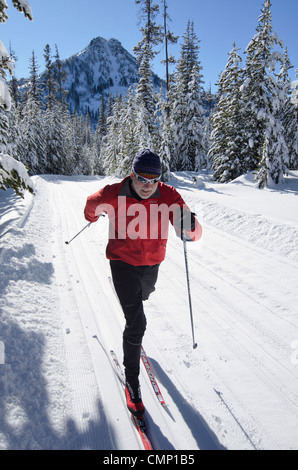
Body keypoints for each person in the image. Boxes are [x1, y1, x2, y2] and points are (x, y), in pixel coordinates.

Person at [84, 149, 202, 420]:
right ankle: (132, 382)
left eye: (153, 179)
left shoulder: (169, 195)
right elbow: (91, 205)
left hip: (152, 264)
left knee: (144, 296)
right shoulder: (113, 194)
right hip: (122, 263)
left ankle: (134, 328)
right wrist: (93, 216)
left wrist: (190, 229)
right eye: (141, 178)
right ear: (132, 174)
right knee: (137, 323)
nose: (148, 186)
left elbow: (191, 227)